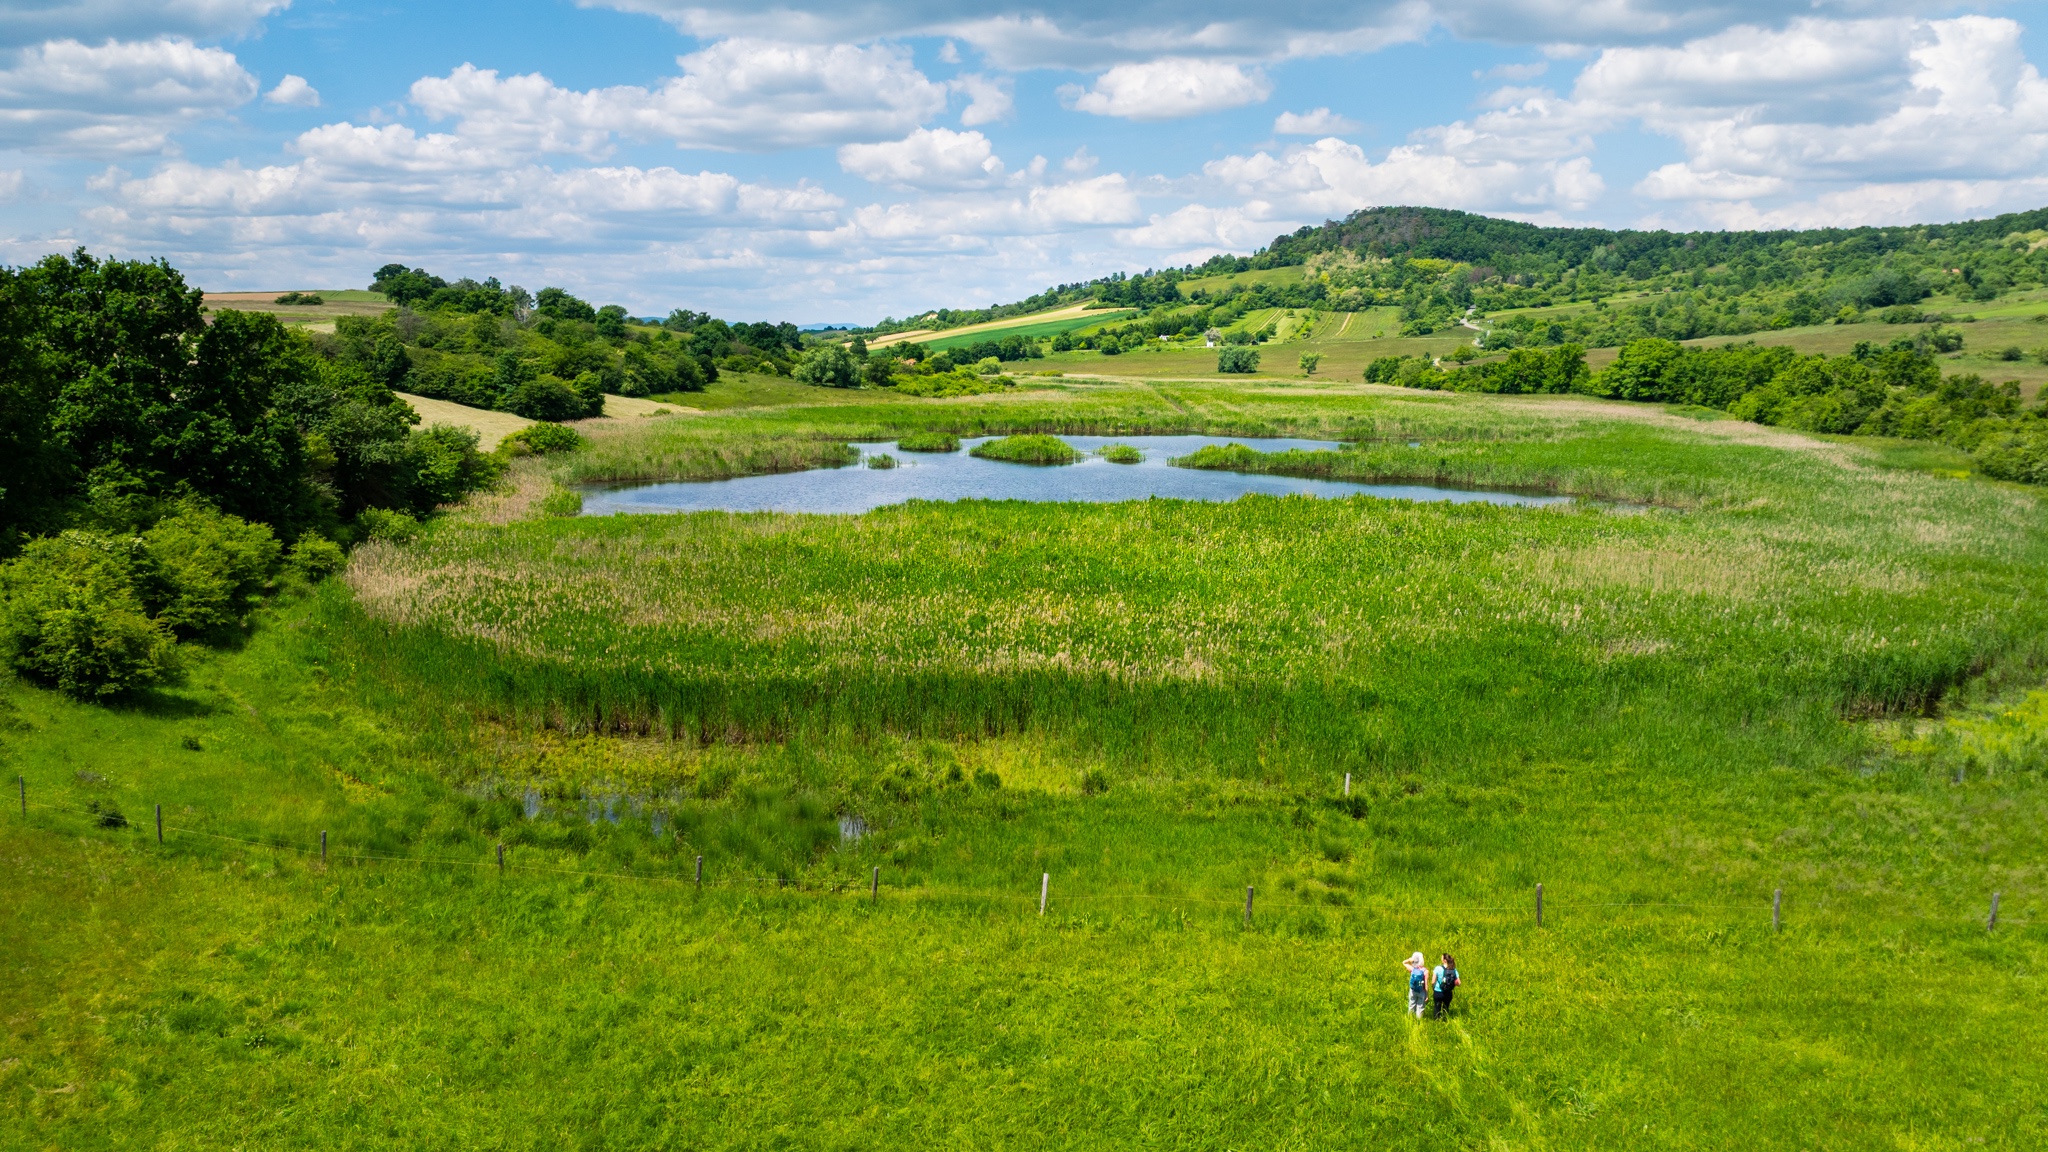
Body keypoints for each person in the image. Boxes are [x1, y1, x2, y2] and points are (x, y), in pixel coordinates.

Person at [1431, 953, 1460, 1019]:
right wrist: (1450, 983)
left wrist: (1433, 987)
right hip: (1448, 993)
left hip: (1438, 992)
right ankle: (1445, 1020)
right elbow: (1459, 983)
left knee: (1437, 1008)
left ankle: (1436, 1022)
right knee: (1446, 1008)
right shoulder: (1453, 970)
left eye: (1442, 958)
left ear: (1444, 960)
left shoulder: (1438, 968)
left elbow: (1433, 981)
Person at [1404, 952, 1428, 1019]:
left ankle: (1410, 1019)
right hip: (1421, 990)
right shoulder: (1425, 971)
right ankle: (1419, 1021)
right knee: (1420, 1006)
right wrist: (1426, 994)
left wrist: (1409, 960)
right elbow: (1426, 984)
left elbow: (1404, 963)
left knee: (1411, 1004)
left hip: (1413, 989)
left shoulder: (1412, 969)